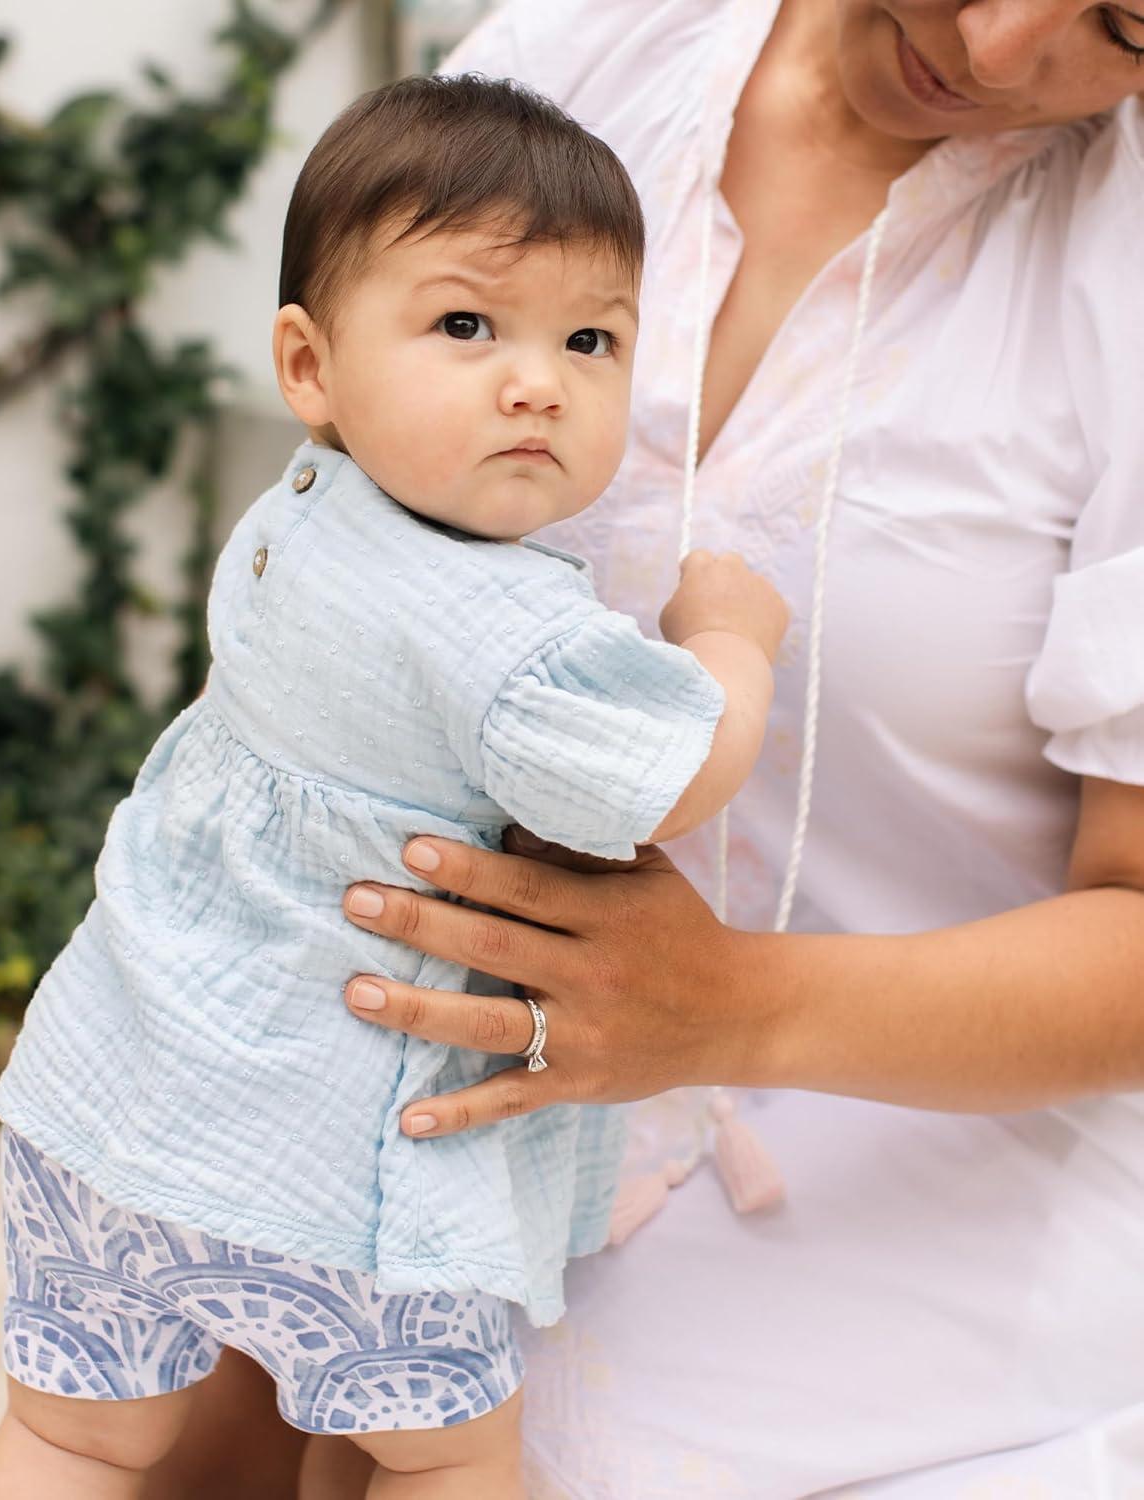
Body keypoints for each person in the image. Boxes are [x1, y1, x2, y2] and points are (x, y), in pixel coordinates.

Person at [130, 0, 1144, 1494]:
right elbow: (340, 574)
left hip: (931, 1226)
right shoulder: (581, 58)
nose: (996, 51)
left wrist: (727, 1006)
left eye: (1125, 24)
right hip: (423, 1111)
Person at [0, 74, 790, 1499]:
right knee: (445, 1459)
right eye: (467, 324)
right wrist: (732, 643)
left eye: (589, 338)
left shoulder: (293, 518)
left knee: (69, 1437)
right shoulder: (511, 636)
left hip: (113, 1101)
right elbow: (666, 782)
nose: (536, 379)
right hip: (348, 1172)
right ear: (310, 365)